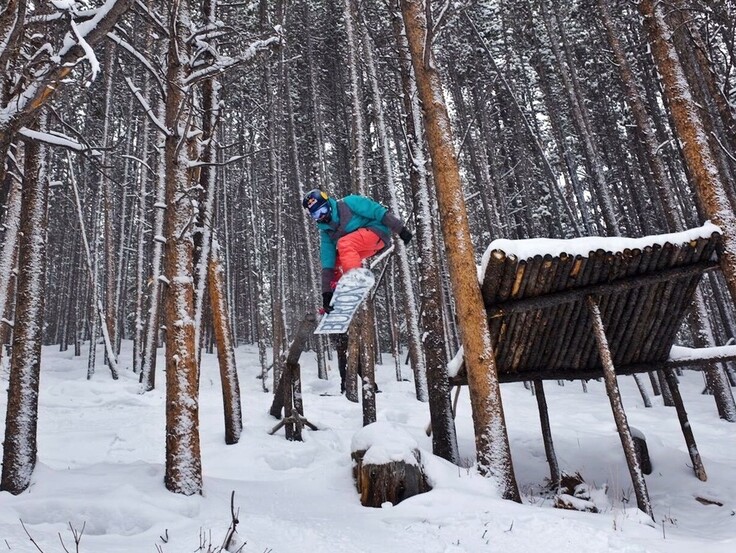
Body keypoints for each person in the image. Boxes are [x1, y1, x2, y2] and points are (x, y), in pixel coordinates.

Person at [302, 188, 412, 314]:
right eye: (316, 215)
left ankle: (352, 280)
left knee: (344, 243)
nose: (322, 216)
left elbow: (377, 211)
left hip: (377, 232)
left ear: (329, 204)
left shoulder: (348, 204)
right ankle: (337, 294)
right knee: (335, 260)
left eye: (323, 210)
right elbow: (327, 263)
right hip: (362, 246)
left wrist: (400, 229)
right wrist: (326, 293)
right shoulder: (326, 231)